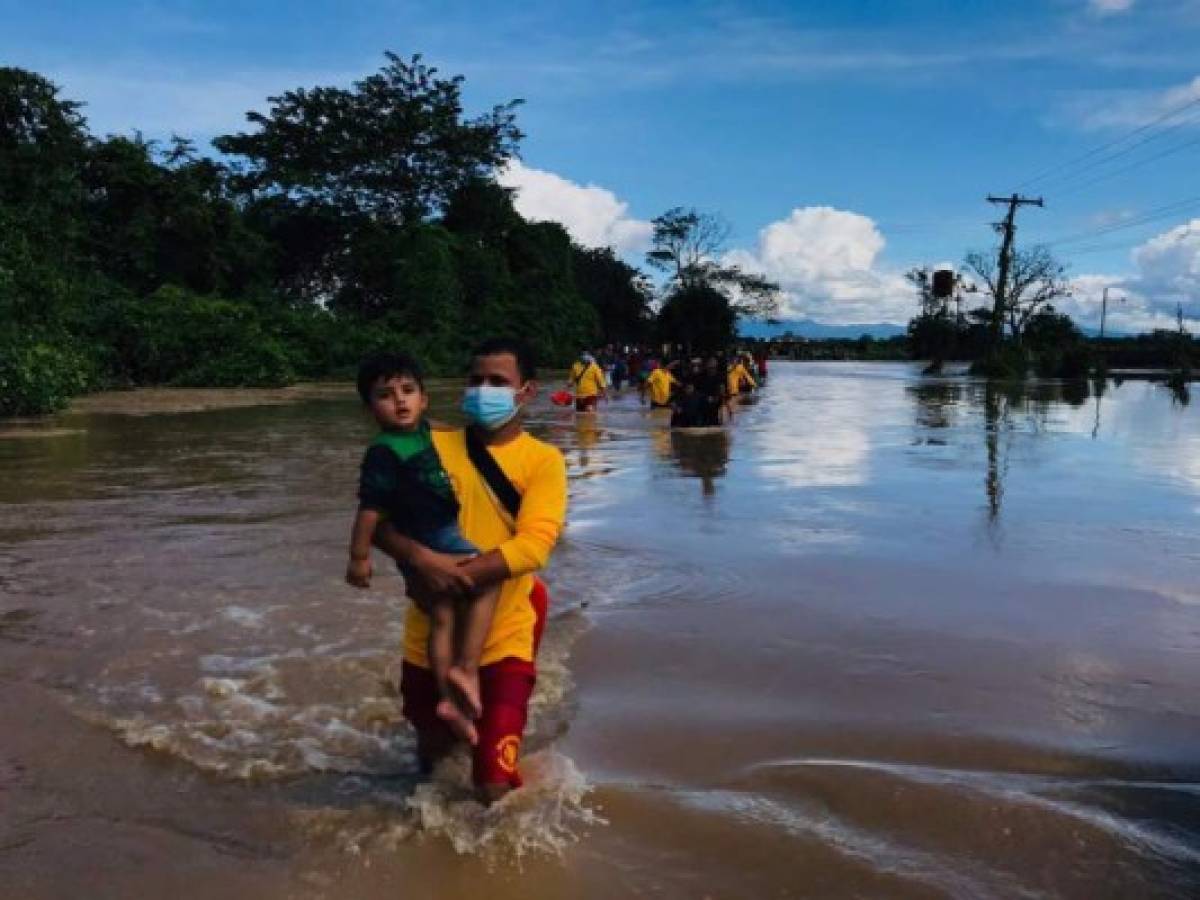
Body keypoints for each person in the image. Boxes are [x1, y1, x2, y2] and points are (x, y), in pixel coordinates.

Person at [373, 338, 568, 802]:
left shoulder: (544, 461)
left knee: (494, 785)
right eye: (476, 380)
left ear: (527, 390)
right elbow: (376, 522)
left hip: (504, 640)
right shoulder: (427, 445)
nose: (484, 390)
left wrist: (459, 575)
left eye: (498, 382)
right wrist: (423, 560)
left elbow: (534, 546)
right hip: (428, 639)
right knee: (431, 762)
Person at [346, 353, 497, 745]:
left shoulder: (423, 432)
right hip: (434, 534)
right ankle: (465, 669)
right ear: (370, 408)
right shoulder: (384, 451)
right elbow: (370, 510)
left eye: (408, 391)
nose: (400, 401)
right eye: (385, 395)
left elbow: (445, 432)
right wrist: (359, 558)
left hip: (431, 533)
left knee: (444, 616)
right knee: (490, 576)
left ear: (424, 400)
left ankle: (449, 702)